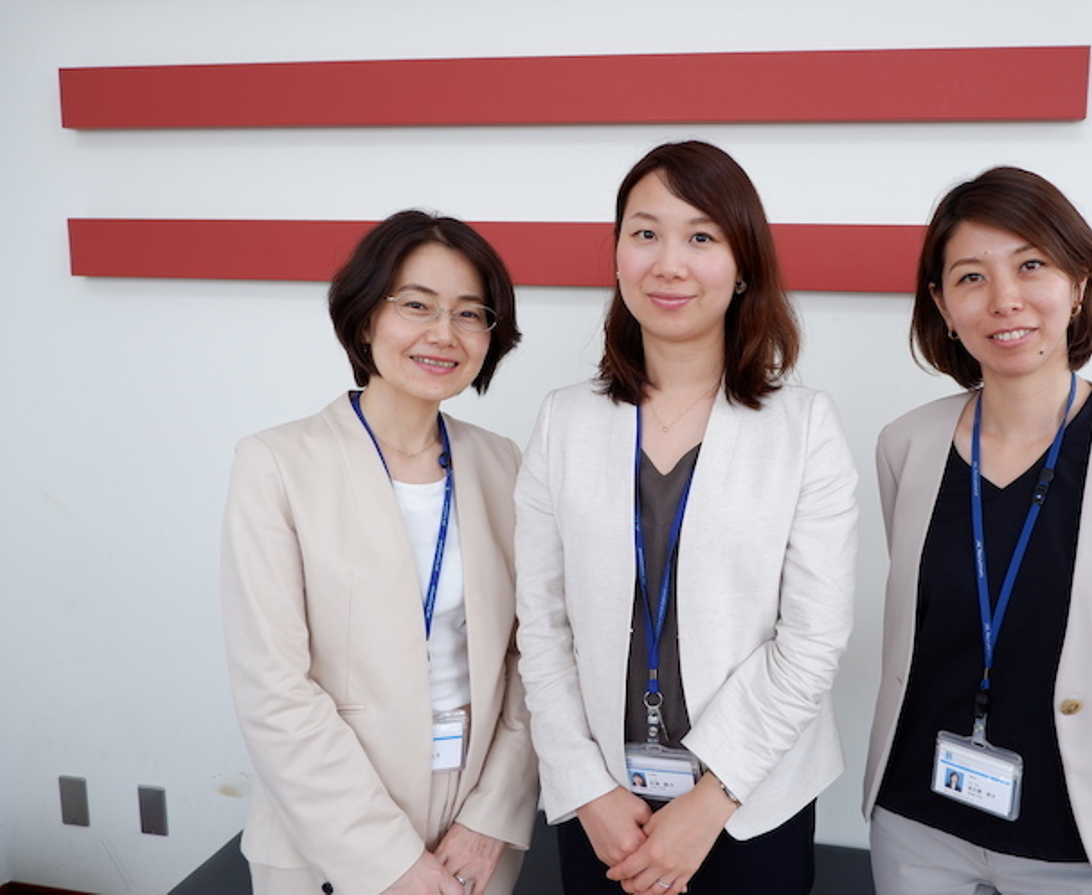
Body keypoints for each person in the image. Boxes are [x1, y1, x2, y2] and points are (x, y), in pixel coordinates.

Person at [515, 140, 859, 895]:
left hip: (751, 804)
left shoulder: (804, 426)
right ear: (616, 257)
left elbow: (813, 637)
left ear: (743, 266)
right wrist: (587, 788)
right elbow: (541, 626)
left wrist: (711, 800)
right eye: (646, 233)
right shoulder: (563, 421)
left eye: (701, 237)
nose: (669, 264)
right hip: (605, 807)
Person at [863, 167, 1092, 894]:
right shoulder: (906, 445)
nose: (1005, 299)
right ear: (942, 304)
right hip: (919, 820)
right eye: (971, 277)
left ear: (1078, 282)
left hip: (1080, 831)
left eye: (1031, 265)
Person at [221, 211, 538, 895]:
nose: (443, 333)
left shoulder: (503, 464)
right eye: (417, 305)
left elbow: (533, 656)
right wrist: (388, 859)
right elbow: (274, 689)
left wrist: (491, 815)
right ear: (366, 318)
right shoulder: (277, 463)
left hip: (472, 828)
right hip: (325, 830)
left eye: (469, 313)